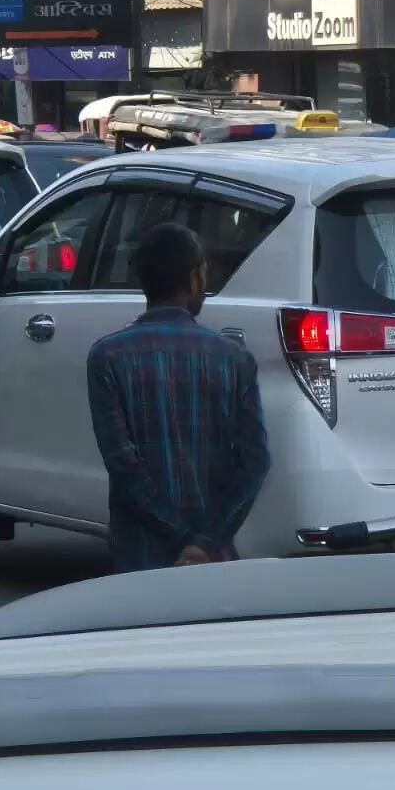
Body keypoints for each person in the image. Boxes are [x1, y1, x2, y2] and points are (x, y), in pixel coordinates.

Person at [86, 222, 271, 572]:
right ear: (194, 279)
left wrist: (180, 536)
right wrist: (203, 540)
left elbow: (123, 464)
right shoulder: (233, 359)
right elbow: (255, 461)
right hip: (213, 555)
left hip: (140, 556)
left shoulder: (107, 357)